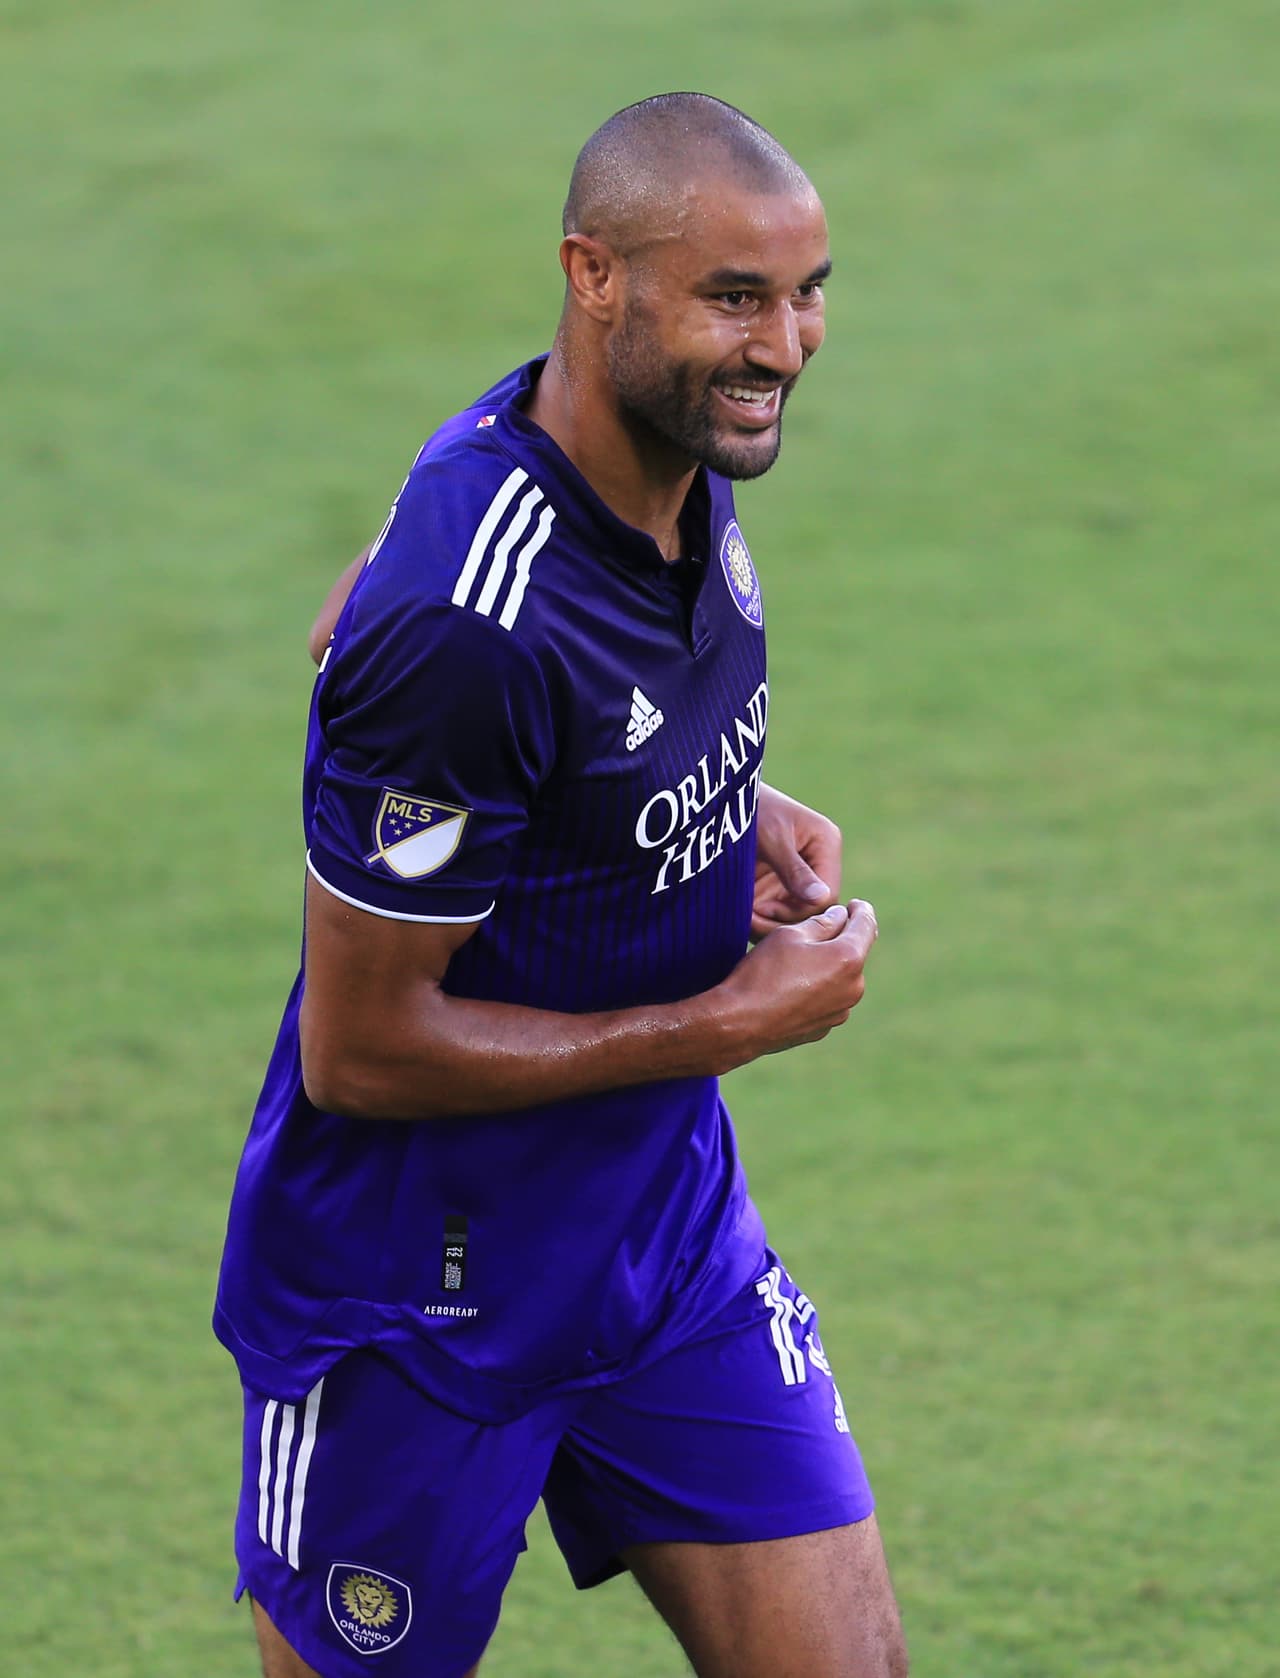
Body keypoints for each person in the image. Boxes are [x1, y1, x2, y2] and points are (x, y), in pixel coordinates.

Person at [215, 92, 907, 1678]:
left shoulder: (672, 455)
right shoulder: (470, 615)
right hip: (413, 1305)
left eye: (807, 292)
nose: (786, 345)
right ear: (595, 275)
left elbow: (447, 657)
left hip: (659, 1240)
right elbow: (362, 1049)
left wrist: (716, 809)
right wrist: (725, 1017)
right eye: (736, 297)